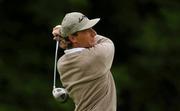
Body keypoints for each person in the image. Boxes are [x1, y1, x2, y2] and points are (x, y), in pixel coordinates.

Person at [52, 12, 117, 111]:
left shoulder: (61, 63)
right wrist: (62, 32)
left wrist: (65, 35)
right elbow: (107, 42)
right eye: (87, 30)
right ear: (73, 38)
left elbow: (74, 46)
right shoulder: (97, 56)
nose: (94, 33)